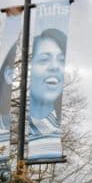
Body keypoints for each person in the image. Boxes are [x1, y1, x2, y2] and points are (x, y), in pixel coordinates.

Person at [27, 28, 66, 160]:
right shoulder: (2, 124)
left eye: (61, 60)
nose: (55, 66)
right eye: (44, 59)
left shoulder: (52, 131)